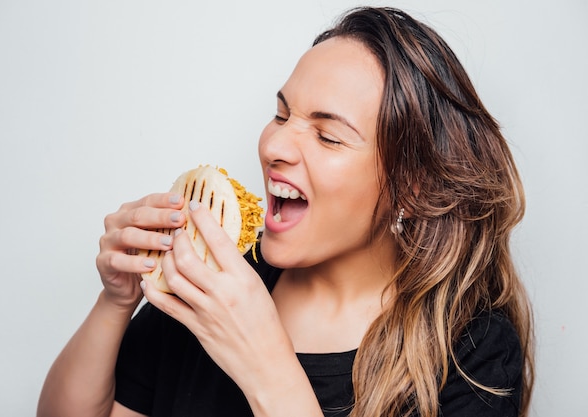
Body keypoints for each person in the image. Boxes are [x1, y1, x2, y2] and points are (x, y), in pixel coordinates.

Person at [37, 6, 534, 417]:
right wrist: (115, 303)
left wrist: (265, 366)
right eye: (281, 114)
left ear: (412, 184)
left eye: (328, 136)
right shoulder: (215, 277)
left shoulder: (473, 350)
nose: (275, 144)